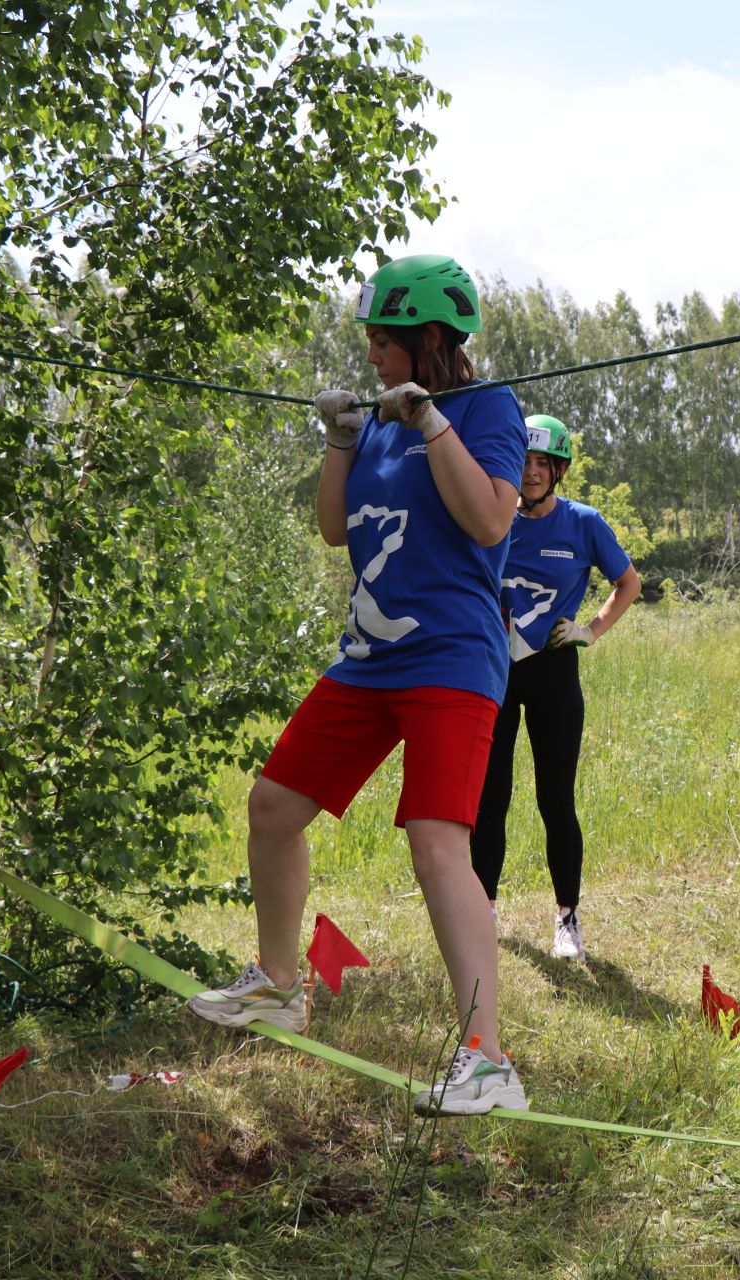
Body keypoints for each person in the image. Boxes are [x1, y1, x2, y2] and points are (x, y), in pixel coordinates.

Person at [184, 255, 529, 1116]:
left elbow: (490, 518)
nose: (372, 355)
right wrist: (342, 441)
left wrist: (432, 425)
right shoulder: (378, 420)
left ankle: (487, 1062)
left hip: (452, 656)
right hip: (370, 657)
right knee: (273, 806)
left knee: (437, 844)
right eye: (370, 339)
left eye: (385, 340)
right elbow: (335, 529)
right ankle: (277, 983)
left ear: (430, 340)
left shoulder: (488, 411)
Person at [471, 415, 641, 959]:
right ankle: (483, 911)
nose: (533, 472)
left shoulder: (584, 523)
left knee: (555, 801)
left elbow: (628, 583)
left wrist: (591, 629)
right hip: (496, 669)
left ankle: (567, 918)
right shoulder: (494, 516)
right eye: (524, 460)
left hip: (554, 672)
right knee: (489, 799)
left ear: (559, 469)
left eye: (543, 463)